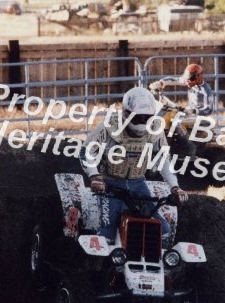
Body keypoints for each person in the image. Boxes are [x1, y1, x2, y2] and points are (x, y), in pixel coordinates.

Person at [79, 87, 188, 248]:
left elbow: (163, 159)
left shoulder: (156, 130)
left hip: (138, 183)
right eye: (138, 118)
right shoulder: (109, 126)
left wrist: (175, 187)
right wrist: (94, 176)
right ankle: (101, 270)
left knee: (163, 230)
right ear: (126, 113)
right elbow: (87, 151)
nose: (142, 122)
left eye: (147, 118)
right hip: (110, 184)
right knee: (106, 233)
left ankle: (162, 268)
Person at [149, 63, 214, 158]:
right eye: (187, 78)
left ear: (199, 76)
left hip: (201, 117)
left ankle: (190, 148)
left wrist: (193, 111)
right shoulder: (190, 81)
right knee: (169, 115)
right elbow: (174, 79)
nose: (188, 82)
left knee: (177, 122)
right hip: (189, 114)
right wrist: (161, 82)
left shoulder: (205, 90)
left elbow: (208, 109)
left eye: (191, 79)